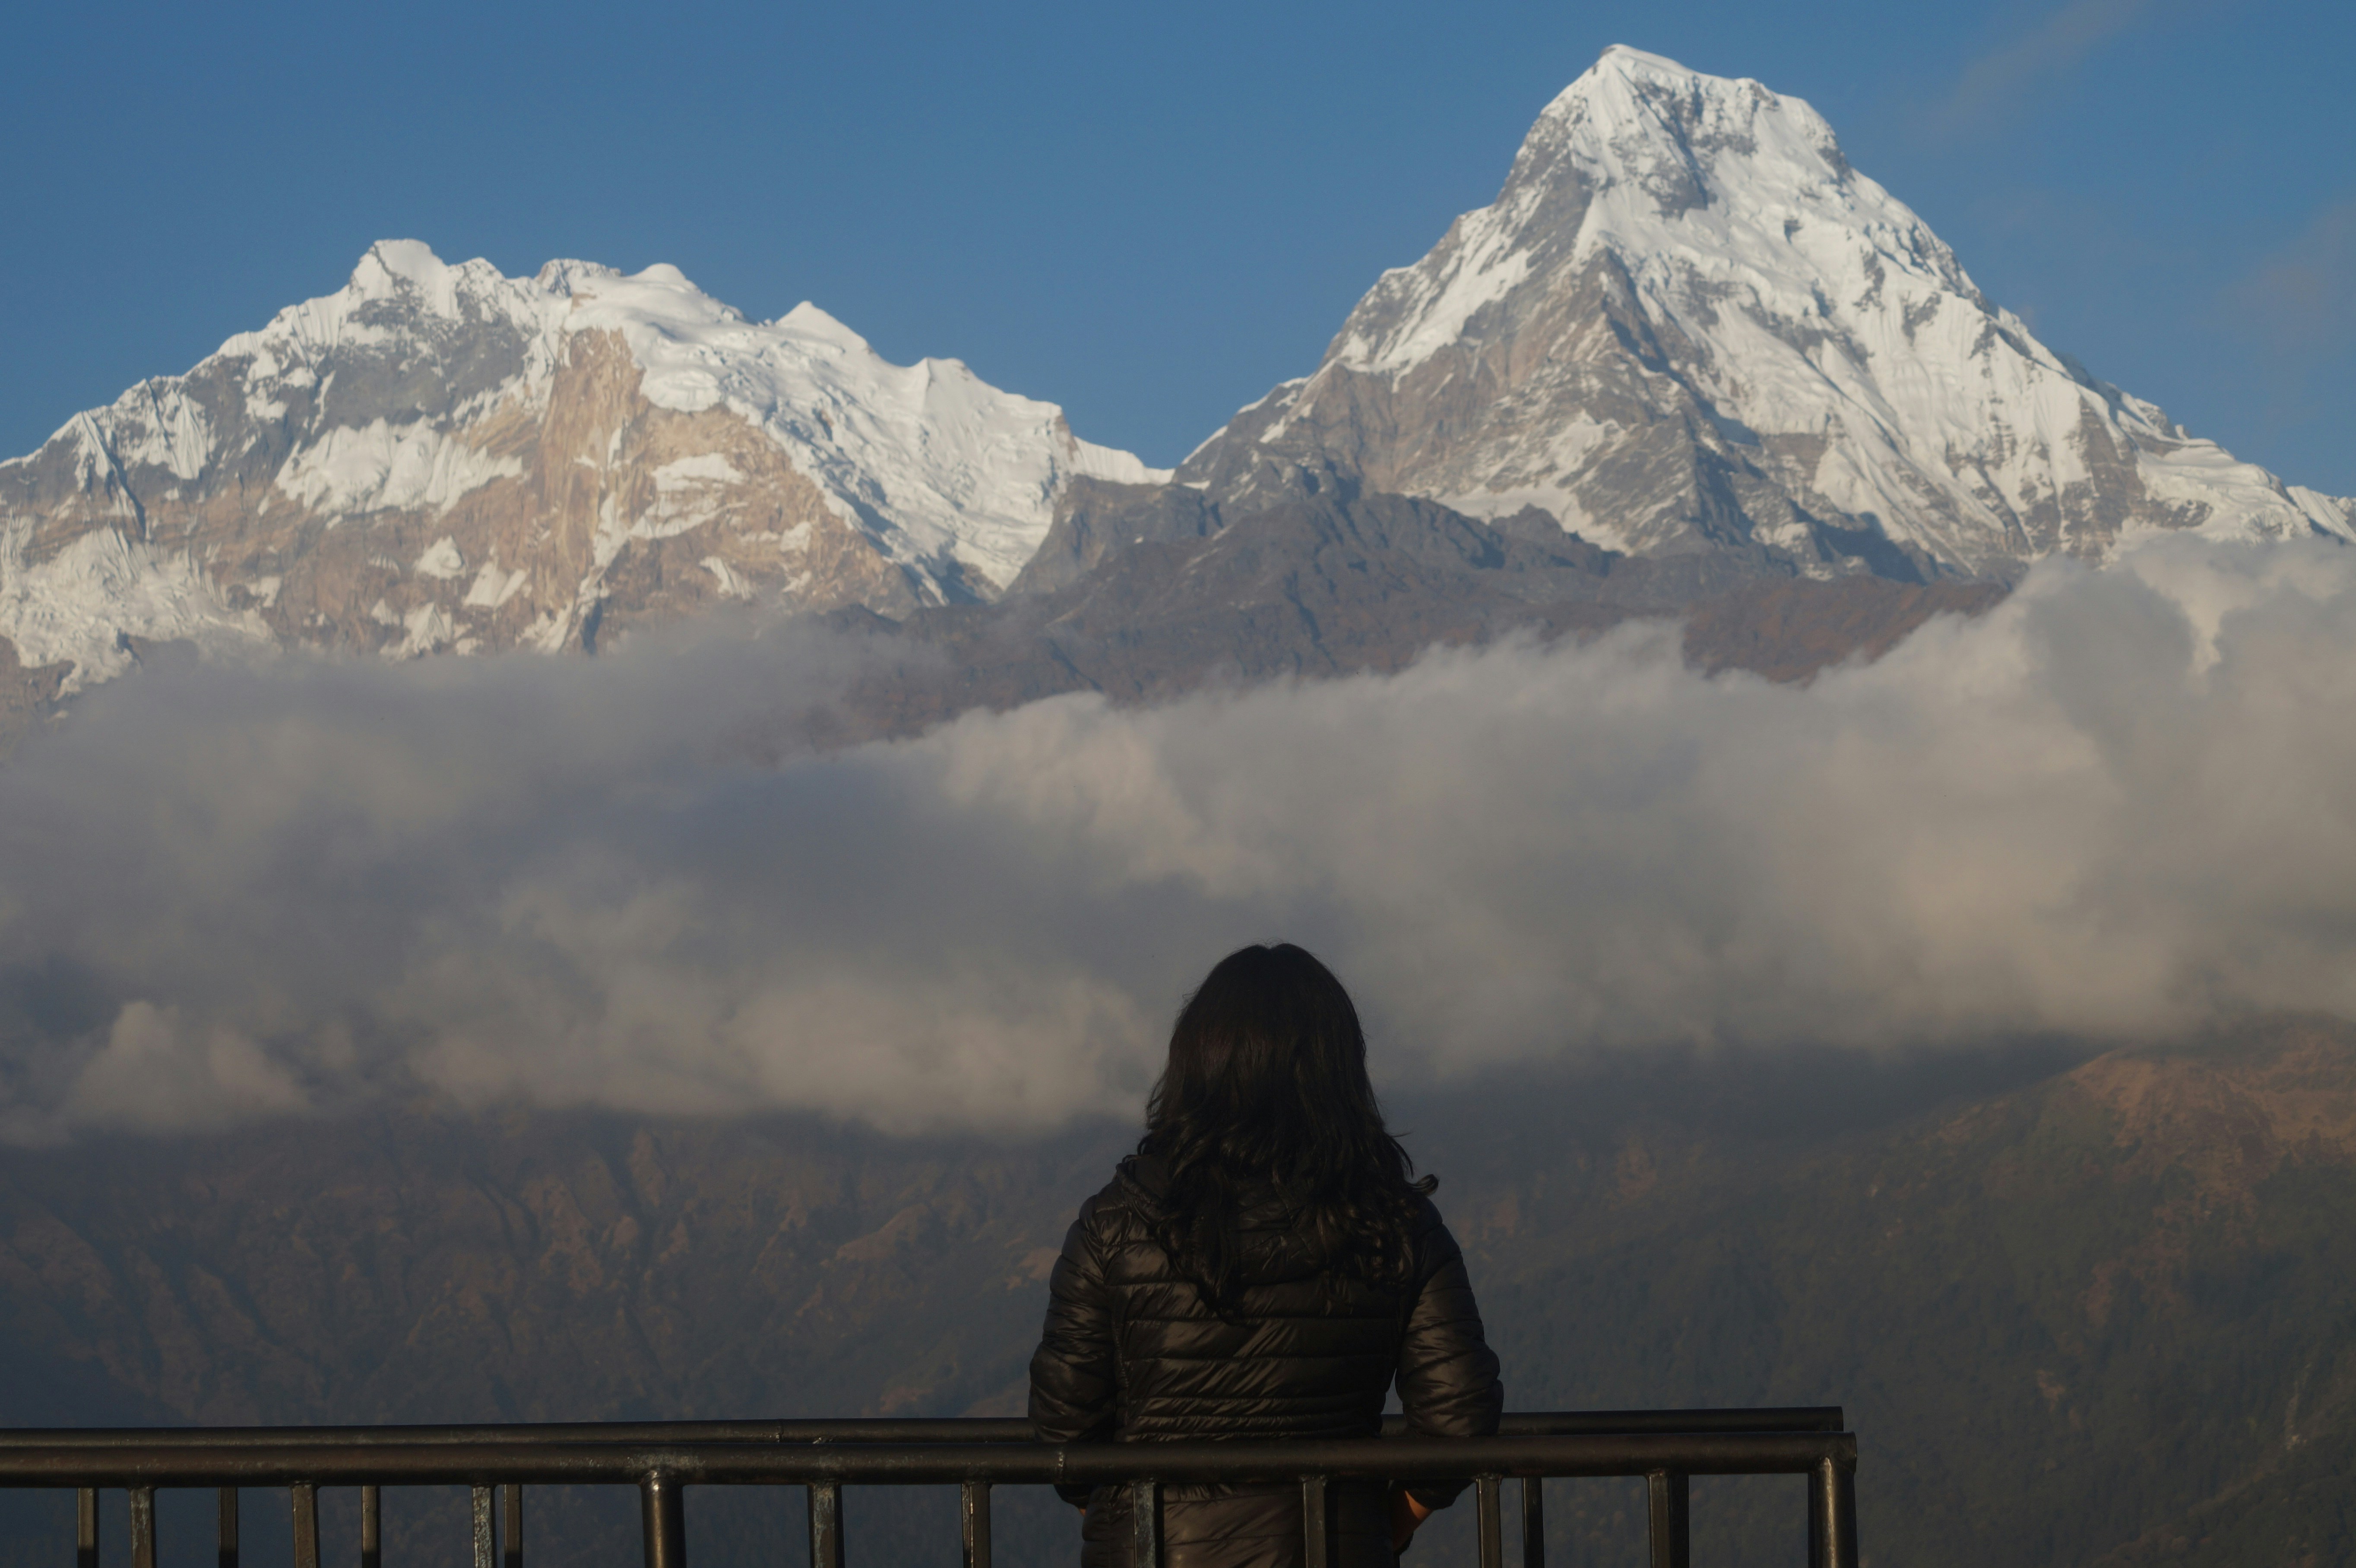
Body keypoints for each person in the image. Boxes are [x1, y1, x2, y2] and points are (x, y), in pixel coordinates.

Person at [1029, 943, 1503, 1568]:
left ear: (1196, 1061)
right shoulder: (1397, 1222)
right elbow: (1459, 1418)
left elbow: (1066, 1428)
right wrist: (1375, 1532)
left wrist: (1136, 1530)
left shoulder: (1116, 1223)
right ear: (1338, 1069)